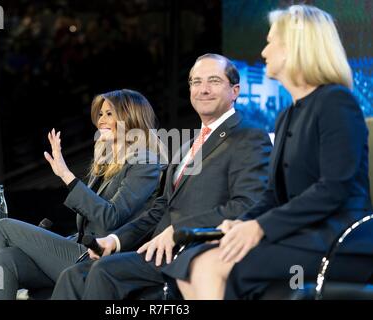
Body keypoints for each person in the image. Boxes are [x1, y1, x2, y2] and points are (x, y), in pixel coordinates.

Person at [165, 4, 373, 300]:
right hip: (302, 233)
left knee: (208, 265)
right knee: (190, 263)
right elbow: (274, 194)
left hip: (339, 239)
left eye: (270, 41)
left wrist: (261, 227)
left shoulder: (336, 103)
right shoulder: (288, 115)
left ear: (293, 48)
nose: (263, 52)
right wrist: (243, 222)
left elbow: (333, 189)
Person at [50, 53, 273, 300]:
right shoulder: (186, 148)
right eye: (196, 82)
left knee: (104, 272)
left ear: (235, 91)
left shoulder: (249, 136)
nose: (204, 89)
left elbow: (247, 205)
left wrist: (179, 229)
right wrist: (114, 240)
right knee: (74, 274)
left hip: (200, 248)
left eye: (214, 81)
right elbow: (160, 209)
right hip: (160, 250)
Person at [0, 89, 167, 299]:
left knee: (2, 227)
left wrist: (66, 175)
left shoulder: (145, 162)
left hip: (101, 259)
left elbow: (110, 218)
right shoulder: (107, 165)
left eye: (109, 114)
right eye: (100, 114)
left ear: (130, 118)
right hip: (78, 250)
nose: (101, 120)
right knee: (5, 258)